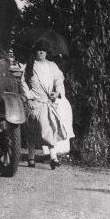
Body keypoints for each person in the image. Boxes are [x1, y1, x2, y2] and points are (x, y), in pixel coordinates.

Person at [20, 41, 71, 169]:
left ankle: (53, 158)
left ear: (47, 52)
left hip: (47, 102)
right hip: (34, 103)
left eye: (44, 50)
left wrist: (57, 92)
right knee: (32, 130)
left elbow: (59, 79)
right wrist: (28, 98)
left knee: (49, 128)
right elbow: (23, 83)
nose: (41, 52)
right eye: (39, 50)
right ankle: (31, 158)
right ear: (35, 52)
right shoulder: (30, 66)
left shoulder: (52, 66)